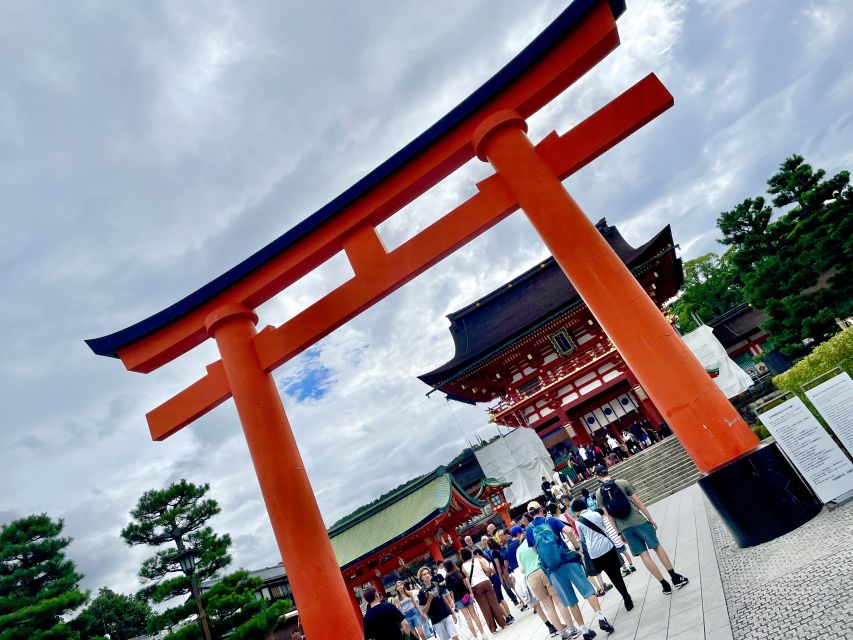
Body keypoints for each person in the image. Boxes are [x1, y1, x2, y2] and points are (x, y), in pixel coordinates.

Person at [526, 500, 614, 639]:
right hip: (567, 560)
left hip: (553, 569)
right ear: (541, 509)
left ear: (530, 515)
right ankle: (601, 618)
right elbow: (569, 531)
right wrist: (577, 548)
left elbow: (535, 550)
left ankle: (585, 631)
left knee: (571, 601)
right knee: (588, 590)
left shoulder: (529, 530)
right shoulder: (551, 520)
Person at [594, 465, 689, 594]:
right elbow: (638, 502)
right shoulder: (622, 482)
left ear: (597, 476)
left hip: (624, 528)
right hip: (638, 520)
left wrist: (619, 532)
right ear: (607, 471)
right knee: (656, 547)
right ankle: (675, 578)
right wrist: (650, 518)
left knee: (644, 555)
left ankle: (665, 585)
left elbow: (608, 515)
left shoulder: (599, 493)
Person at [571, 498, 633, 611]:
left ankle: (623, 595)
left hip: (595, 553)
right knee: (616, 574)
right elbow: (603, 528)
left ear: (576, 511)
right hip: (608, 547)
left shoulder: (578, 522)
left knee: (610, 575)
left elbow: (582, 539)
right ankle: (626, 597)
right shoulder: (596, 514)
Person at [460, 548, 507, 634]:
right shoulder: (477, 560)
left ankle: (493, 629)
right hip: (485, 582)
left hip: (475, 586)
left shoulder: (463, 566)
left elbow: (467, 580)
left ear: (462, 557)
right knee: (494, 603)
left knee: (485, 608)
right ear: (470, 553)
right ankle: (503, 624)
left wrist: (471, 592)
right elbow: (487, 569)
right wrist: (493, 571)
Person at [443, 559, 485, 640]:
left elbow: (451, 592)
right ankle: (483, 634)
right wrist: (471, 592)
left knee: (467, 618)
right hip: (466, 595)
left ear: (446, 567)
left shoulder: (447, 577)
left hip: (458, 600)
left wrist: (453, 602)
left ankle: (476, 637)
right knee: (474, 615)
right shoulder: (459, 571)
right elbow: (467, 582)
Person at [417, 566, 458, 640]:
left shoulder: (436, 584)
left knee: (455, 636)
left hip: (446, 615)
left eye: (427, 573)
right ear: (421, 578)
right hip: (436, 620)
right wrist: (429, 599)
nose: (427, 575)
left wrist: (452, 613)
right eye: (424, 574)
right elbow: (424, 610)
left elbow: (444, 599)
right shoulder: (421, 592)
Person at [486, 539, 516, 620]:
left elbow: (498, 565)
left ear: (489, 545)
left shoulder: (494, 553)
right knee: (512, 586)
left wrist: (499, 576)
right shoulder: (497, 550)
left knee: (510, 586)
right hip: (505, 570)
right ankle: (522, 601)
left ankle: (522, 602)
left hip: (502, 572)